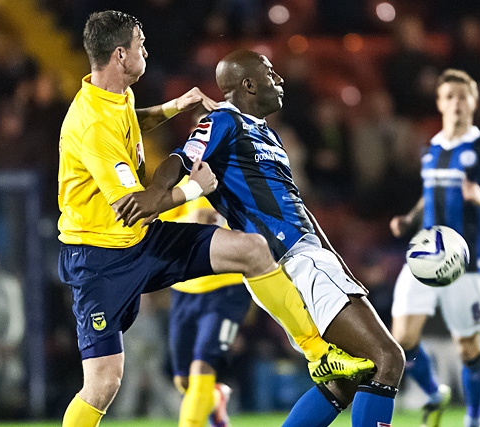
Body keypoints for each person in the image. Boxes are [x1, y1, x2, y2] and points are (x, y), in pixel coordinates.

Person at [57, 12, 373, 427]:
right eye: (140, 43)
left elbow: (128, 126)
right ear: (120, 55)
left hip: (139, 240)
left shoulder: (114, 97)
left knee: (252, 249)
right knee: (103, 384)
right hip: (99, 258)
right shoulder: (92, 123)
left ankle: (319, 355)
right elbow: (132, 205)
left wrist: (174, 107)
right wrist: (194, 189)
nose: (145, 50)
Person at [114, 49, 406, 427]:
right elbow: (182, 158)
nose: (279, 80)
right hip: (292, 260)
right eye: (271, 73)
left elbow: (298, 207)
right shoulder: (223, 120)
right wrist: (156, 192)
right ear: (249, 84)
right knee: (387, 359)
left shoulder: (266, 134)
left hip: (309, 257)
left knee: (346, 380)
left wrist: (337, 264)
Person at [388, 69, 480, 427]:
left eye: (463, 97)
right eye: (449, 96)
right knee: (401, 339)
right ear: (439, 103)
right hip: (424, 254)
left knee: (467, 347)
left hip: (463, 262)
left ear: (474, 103)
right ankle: (434, 393)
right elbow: (428, 192)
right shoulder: (431, 147)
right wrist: (410, 217)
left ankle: (474, 419)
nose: (456, 103)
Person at [159, 194, 250, 427]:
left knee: (203, 364)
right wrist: (191, 219)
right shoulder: (181, 185)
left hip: (227, 287)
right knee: (183, 380)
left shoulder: (239, 182)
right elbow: (154, 229)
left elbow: (258, 229)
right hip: (184, 290)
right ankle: (215, 398)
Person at [0, 241, 26, 423]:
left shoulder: (8, 284)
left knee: (13, 374)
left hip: (7, 349)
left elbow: (17, 319)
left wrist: (9, 343)